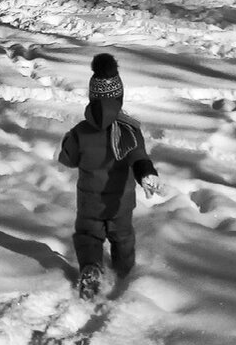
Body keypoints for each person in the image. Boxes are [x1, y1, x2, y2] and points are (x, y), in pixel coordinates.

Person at [59, 52, 162, 298]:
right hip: (120, 203)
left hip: (89, 203)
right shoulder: (130, 132)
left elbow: (68, 159)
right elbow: (139, 159)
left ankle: (92, 268)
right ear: (119, 98)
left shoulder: (80, 132)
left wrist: (68, 143)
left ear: (92, 98)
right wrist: (146, 174)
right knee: (123, 238)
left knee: (88, 237)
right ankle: (123, 276)